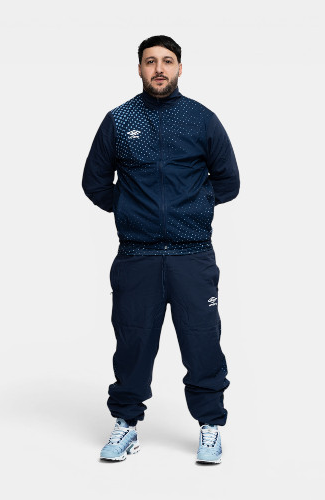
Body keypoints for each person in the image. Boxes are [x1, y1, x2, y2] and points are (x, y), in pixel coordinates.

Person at [82, 35, 240, 464]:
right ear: (139, 68)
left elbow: (229, 181)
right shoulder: (119, 120)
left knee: (202, 342)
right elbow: (95, 182)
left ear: (180, 68)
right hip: (137, 256)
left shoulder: (202, 119)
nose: (159, 68)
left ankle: (210, 426)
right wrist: (130, 208)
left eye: (167, 61)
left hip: (193, 256)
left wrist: (194, 206)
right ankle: (126, 424)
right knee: (133, 343)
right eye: (150, 61)